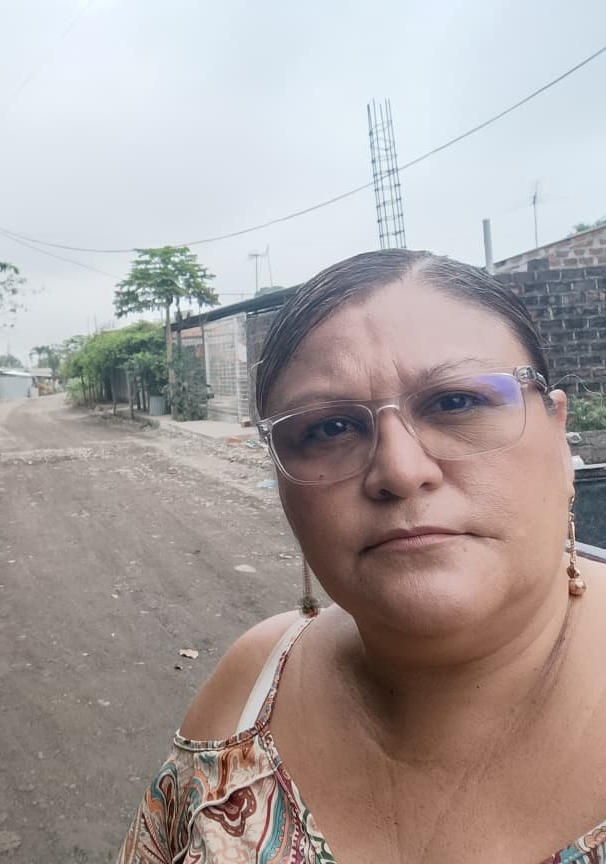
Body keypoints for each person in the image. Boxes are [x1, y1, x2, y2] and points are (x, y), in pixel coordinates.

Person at [116, 249, 606, 863]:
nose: (399, 470)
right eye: (329, 429)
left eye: (456, 402)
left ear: (558, 436)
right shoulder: (250, 694)